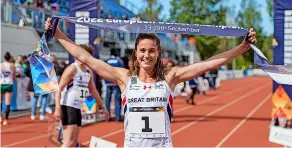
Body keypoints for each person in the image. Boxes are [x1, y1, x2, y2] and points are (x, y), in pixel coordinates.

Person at [45, 18, 257, 147]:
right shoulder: (124, 78)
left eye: (151, 50)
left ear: (158, 53)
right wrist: (57, 33)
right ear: (136, 53)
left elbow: (208, 64)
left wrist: (243, 47)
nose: (147, 55)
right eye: (142, 50)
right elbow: (86, 58)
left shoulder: (170, 77)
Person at [53, 44, 110, 147]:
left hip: (77, 108)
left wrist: (103, 106)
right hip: (68, 106)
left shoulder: (88, 71)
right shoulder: (72, 69)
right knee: (68, 142)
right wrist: (57, 108)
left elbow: (93, 90)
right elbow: (58, 88)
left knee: (74, 142)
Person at [104, 48, 124, 121]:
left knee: (107, 100)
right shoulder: (119, 61)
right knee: (117, 100)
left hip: (108, 82)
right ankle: (118, 117)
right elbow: (122, 71)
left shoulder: (106, 61)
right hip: (116, 83)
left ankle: (107, 117)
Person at [0, 52, 16, 125]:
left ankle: (0, 117)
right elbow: (14, 77)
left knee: (0, 101)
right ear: (10, 58)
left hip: (1, 84)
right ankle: (6, 120)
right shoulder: (12, 65)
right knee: (7, 102)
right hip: (9, 84)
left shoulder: (0, 65)